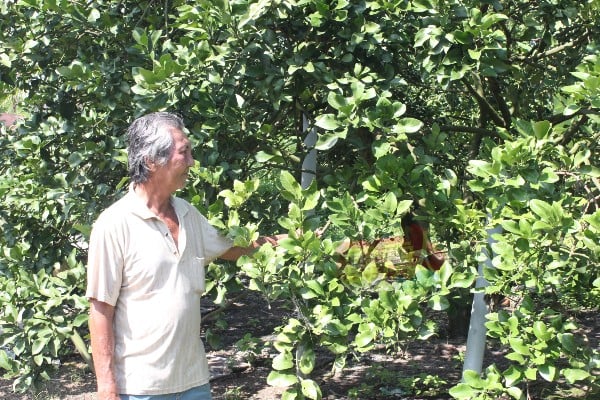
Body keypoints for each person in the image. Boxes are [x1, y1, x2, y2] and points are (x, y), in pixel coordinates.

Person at [86, 112, 283, 400]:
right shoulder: (114, 224)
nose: (191, 162)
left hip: (194, 382)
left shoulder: (188, 213)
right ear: (152, 161)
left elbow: (234, 248)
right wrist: (106, 388)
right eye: (184, 152)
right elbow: (100, 310)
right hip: (140, 388)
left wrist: (288, 241)